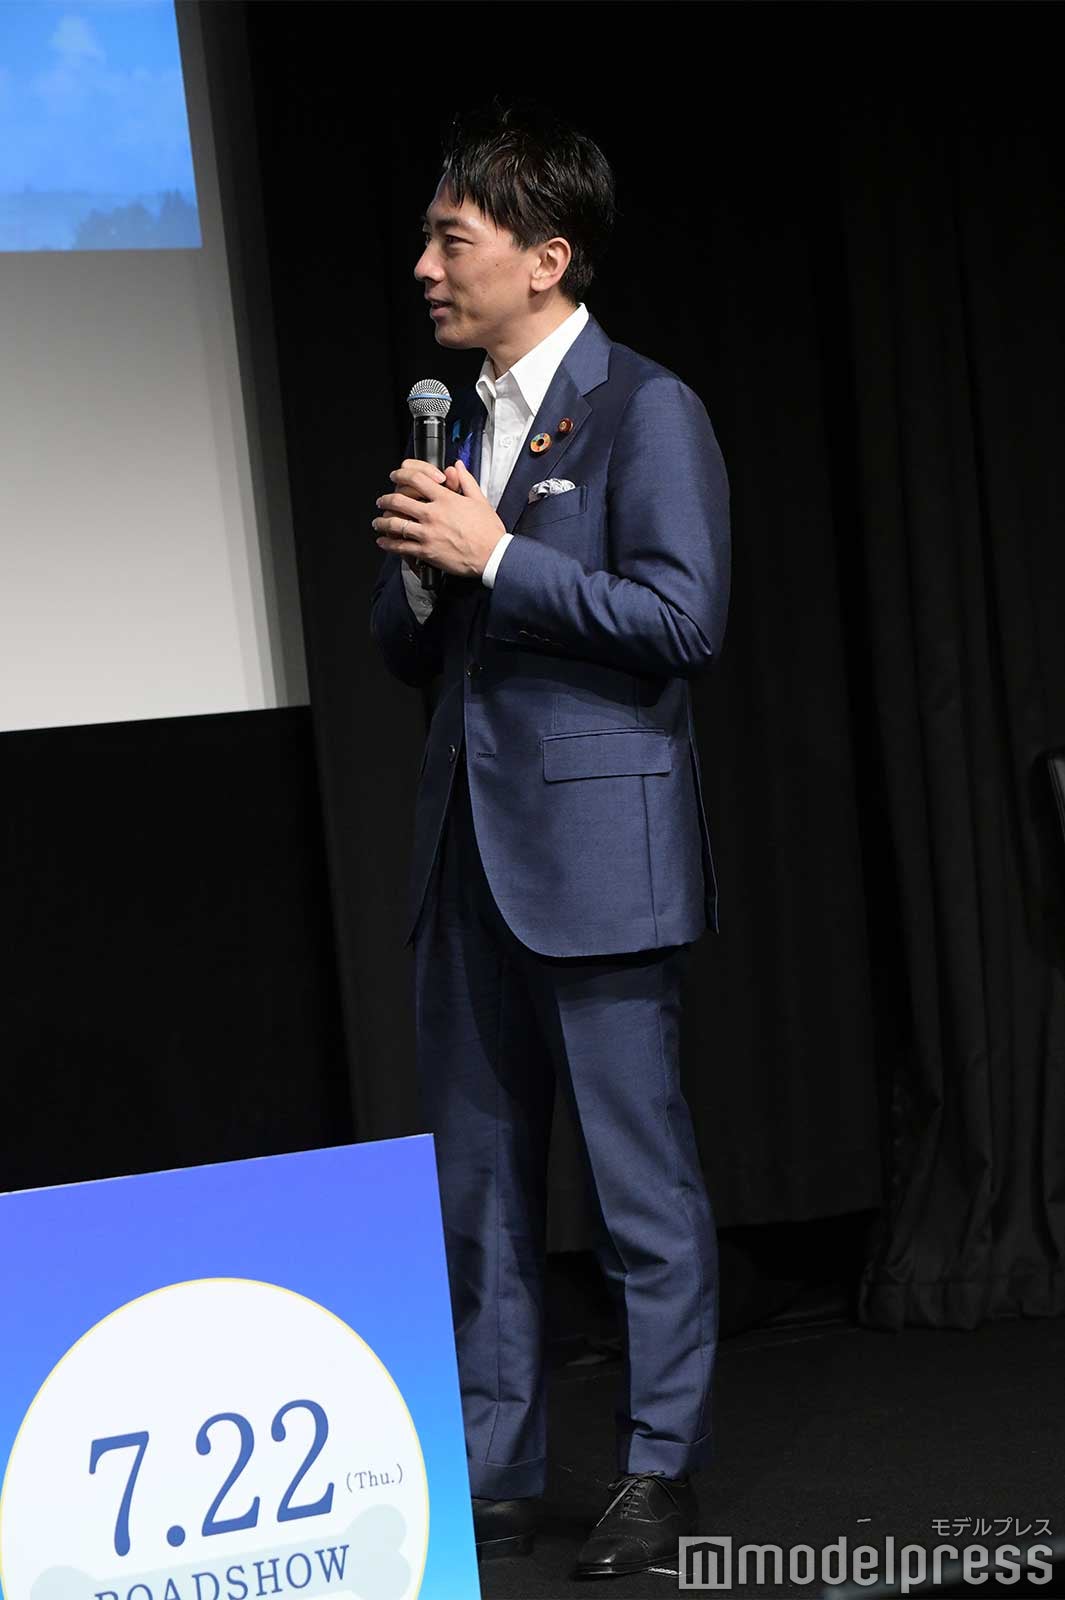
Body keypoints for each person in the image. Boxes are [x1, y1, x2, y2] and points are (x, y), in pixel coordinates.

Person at [369, 97, 730, 1580]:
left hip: (595, 864)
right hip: (466, 855)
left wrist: (500, 555)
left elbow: (682, 618)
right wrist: (421, 577)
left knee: (640, 1192)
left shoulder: (647, 409)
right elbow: (417, 655)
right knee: (479, 1191)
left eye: (450, 239)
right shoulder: (453, 424)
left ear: (546, 257)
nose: (424, 268)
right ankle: (498, 1465)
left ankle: (658, 1464)